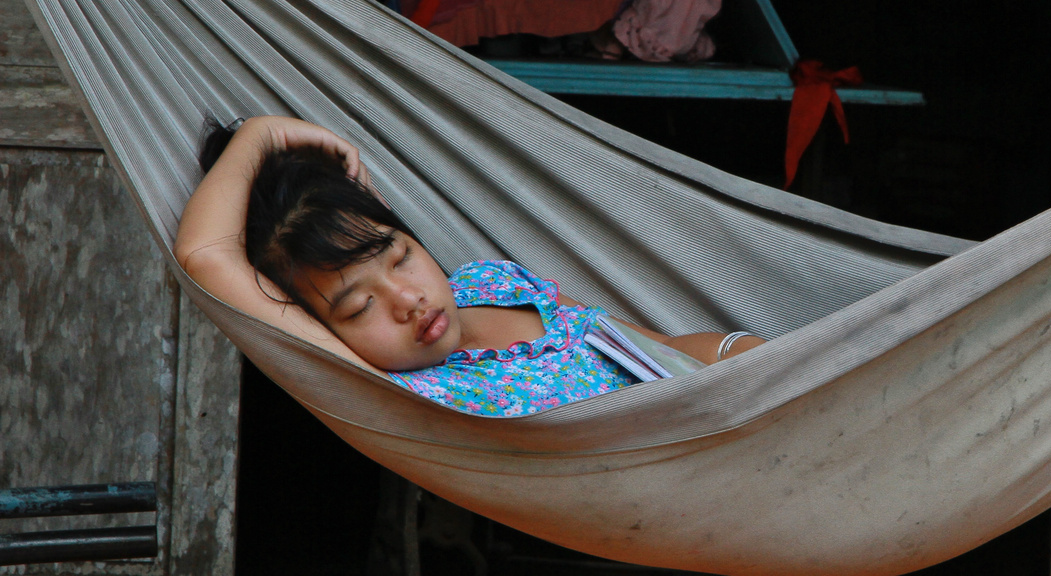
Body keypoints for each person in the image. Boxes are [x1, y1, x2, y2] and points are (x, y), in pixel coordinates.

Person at [174, 115, 764, 416]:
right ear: (320, 331)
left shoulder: (493, 283)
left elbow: (654, 349)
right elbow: (204, 256)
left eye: (401, 256)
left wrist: (746, 357)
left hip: (736, 397)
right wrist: (260, 134)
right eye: (359, 306)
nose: (408, 299)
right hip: (697, 469)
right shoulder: (394, 392)